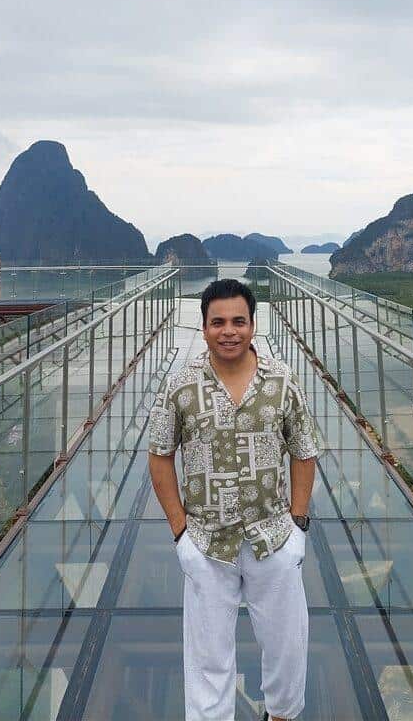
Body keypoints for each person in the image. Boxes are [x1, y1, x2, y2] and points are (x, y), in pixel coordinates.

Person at [148, 278, 319, 721]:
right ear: (203, 328)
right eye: (218, 322)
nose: (229, 331)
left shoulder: (282, 382)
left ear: (253, 325)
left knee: (287, 645)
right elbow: (160, 457)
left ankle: (280, 715)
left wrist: (298, 526)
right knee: (207, 658)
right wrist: (180, 533)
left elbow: (304, 452)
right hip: (206, 543)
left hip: (274, 538)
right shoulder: (181, 387)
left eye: (238, 321)